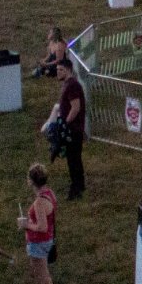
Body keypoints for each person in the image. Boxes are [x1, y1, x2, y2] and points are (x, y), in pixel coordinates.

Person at [18, 164, 57, 284]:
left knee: (43, 274)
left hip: (39, 242)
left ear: (30, 181)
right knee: (37, 271)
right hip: (45, 240)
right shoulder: (50, 193)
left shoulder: (40, 202)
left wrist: (26, 224)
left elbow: (41, 227)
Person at [51, 58, 87, 198]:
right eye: (57, 70)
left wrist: (65, 123)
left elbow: (75, 108)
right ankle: (80, 185)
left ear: (69, 70)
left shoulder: (72, 85)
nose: (58, 72)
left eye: (61, 70)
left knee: (73, 160)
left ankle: (76, 189)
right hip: (73, 128)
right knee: (75, 159)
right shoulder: (69, 84)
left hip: (73, 129)